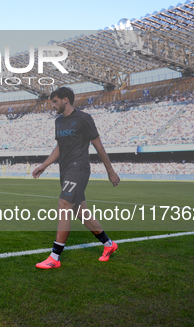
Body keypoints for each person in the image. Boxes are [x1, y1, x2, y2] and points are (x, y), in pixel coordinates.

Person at [33, 87, 120, 269]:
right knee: (81, 212)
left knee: (64, 205)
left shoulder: (84, 119)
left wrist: (110, 171)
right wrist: (44, 165)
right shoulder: (58, 121)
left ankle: (54, 257)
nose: (52, 105)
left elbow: (99, 146)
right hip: (64, 171)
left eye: (55, 101)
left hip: (79, 169)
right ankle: (108, 244)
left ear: (66, 100)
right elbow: (59, 148)